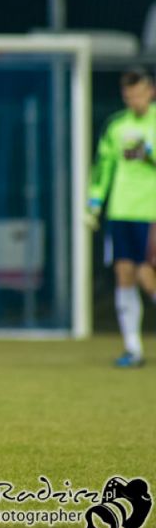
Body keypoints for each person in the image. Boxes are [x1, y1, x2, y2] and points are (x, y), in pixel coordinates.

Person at [87, 66, 156, 368]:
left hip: (151, 213)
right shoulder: (117, 126)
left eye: (138, 94)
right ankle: (133, 348)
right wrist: (94, 202)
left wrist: (150, 153)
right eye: (128, 96)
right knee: (124, 273)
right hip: (121, 211)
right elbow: (103, 166)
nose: (134, 101)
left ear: (150, 92)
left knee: (147, 277)